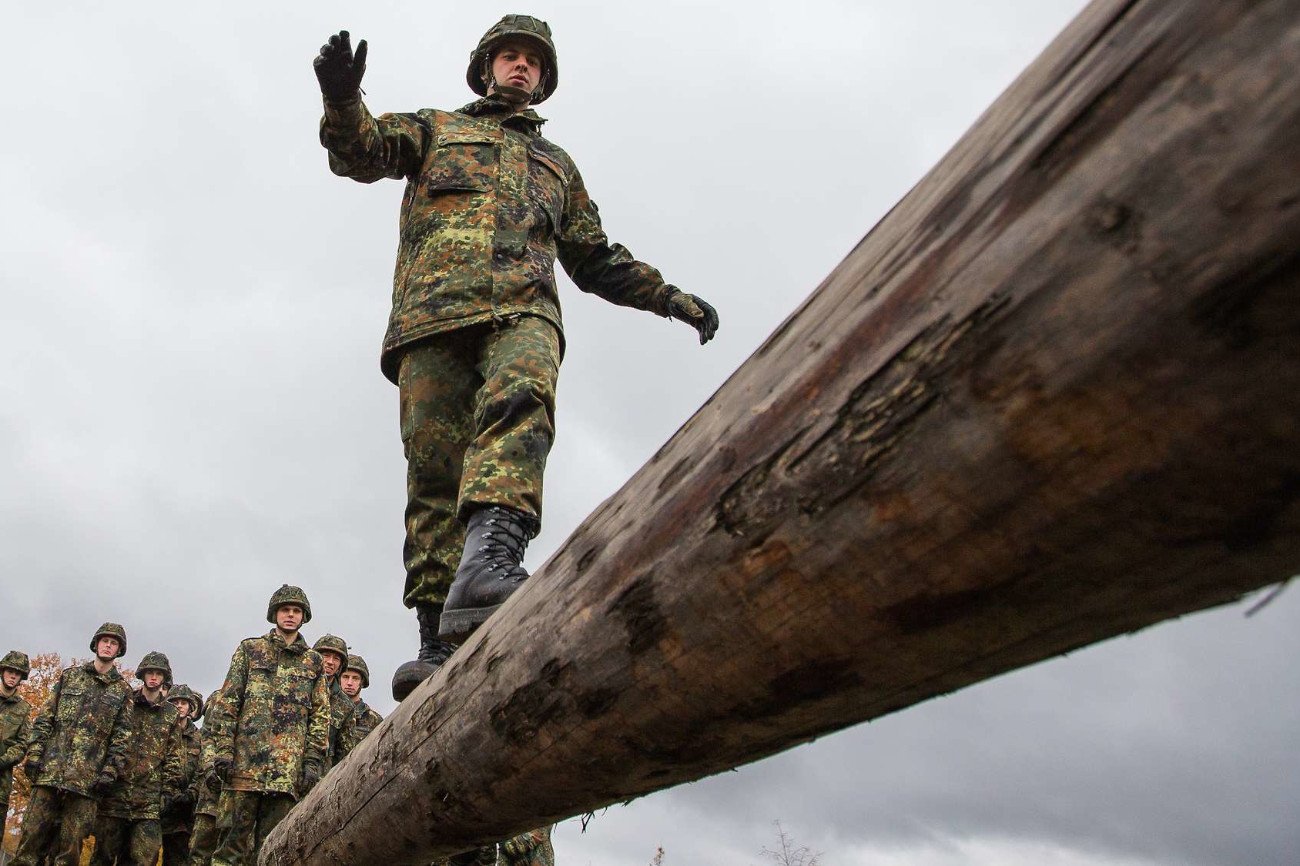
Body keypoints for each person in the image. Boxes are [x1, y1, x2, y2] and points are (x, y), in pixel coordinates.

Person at [314, 15, 719, 699]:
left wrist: (668, 297)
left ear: (543, 78)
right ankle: (437, 639)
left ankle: (493, 557)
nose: (521, 67)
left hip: (522, 310)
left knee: (522, 399)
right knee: (434, 478)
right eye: (509, 56)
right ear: (485, 68)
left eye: (532, 60)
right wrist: (341, 98)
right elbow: (362, 152)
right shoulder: (437, 128)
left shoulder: (556, 166)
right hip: (432, 318)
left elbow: (595, 259)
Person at [204, 585, 329, 865]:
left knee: (275, 852)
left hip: (286, 773)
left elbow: (320, 715)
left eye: (296, 611)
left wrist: (311, 761)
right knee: (229, 851)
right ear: (274, 614)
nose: (290, 615)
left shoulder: (313, 661)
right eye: (285, 610)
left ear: (303, 617)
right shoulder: (250, 650)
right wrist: (223, 751)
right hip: (242, 769)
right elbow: (228, 704)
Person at [13, 623, 133, 866]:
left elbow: (122, 739)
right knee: (30, 843)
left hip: (87, 783)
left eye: (114, 643)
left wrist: (109, 772)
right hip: (50, 773)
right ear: (96, 644)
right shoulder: (70, 677)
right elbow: (45, 718)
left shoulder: (123, 691)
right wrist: (35, 754)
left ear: (119, 649)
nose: (108, 645)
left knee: (69, 851)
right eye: (104, 641)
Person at [90, 651, 185, 866]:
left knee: (145, 858)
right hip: (115, 794)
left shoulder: (170, 714)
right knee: (102, 857)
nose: (153, 677)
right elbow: (106, 740)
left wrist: (168, 792)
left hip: (149, 801)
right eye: (150, 672)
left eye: (158, 674)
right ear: (142, 674)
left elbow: (173, 756)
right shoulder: (126, 702)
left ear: (164, 678)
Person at [160, 684, 204, 864]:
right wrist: (166, 794)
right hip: (159, 805)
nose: (179, 706)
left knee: (178, 858)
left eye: (183, 702)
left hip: (186, 812)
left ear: (190, 707)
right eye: (175, 702)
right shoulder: (160, 731)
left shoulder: (199, 737)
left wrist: (191, 793)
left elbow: (202, 769)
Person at [186, 686, 224, 866]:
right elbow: (207, 737)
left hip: (243, 793)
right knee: (199, 853)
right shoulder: (219, 697)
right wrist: (210, 768)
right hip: (212, 792)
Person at [310, 634, 353, 769]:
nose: (330, 662)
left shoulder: (345, 705)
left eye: (336, 658)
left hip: (321, 778)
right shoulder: (297, 688)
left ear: (341, 665)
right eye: (326, 656)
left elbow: (345, 754)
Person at [0, 650, 33, 822]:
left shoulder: (23, 708)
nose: (13, 676)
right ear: (2, 671)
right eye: (10, 671)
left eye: (17, 673)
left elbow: (22, 745)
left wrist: (2, 761)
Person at [335, 655, 382, 761]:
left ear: (362, 682)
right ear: (339, 679)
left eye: (355, 678)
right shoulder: (326, 711)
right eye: (346, 677)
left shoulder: (374, 720)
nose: (350, 683)